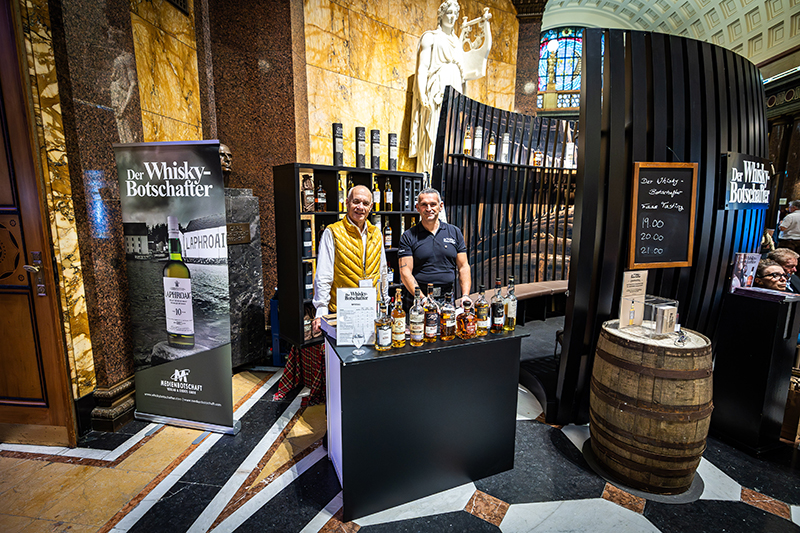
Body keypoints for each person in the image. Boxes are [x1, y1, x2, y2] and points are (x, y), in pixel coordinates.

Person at [409, 0, 491, 174]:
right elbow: (422, 68)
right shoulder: (430, 37)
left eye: (455, 13)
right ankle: (428, 176)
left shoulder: (457, 42)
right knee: (434, 131)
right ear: (441, 15)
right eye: (449, 13)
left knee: (451, 135)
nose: (452, 17)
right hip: (436, 88)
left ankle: (445, 177)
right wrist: (422, 94)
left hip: (455, 89)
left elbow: (465, 71)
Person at [311, 185, 388, 333]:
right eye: (356, 202)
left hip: (371, 310)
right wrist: (321, 311)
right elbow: (324, 274)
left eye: (365, 203)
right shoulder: (333, 232)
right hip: (342, 312)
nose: (360, 207)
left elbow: (382, 270)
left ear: (371, 207)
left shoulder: (376, 233)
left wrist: (385, 302)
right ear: (347, 203)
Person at [398, 188, 471, 308]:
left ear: (440, 206)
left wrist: (465, 295)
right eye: (424, 205)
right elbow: (405, 272)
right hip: (418, 296)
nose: (428, 209)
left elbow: (463, 267)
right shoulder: (408, 236)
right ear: (417, 207)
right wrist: (422, 299)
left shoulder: (454, 232)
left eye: (433, 204)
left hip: (447, 295)